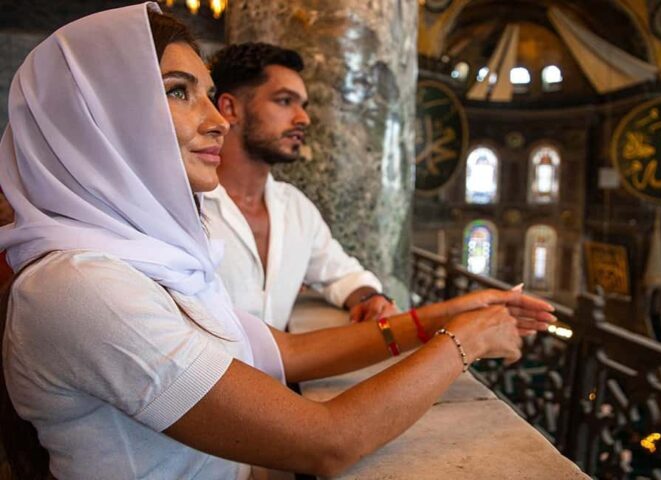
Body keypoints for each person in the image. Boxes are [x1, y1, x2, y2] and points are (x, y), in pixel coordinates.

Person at [0, 4, 556, 479]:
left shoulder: (154, 257)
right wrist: (465, 342)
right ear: (96, 118)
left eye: (210, 95)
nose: (216, 121)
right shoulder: (80, 287)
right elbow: (328, 441)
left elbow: (289, 351)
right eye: (178, 92)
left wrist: (452, 311)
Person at [205, 42, 396, 329]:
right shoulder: (186, 205)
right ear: (230, 109)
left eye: (303, 105)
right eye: (284, 101)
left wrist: (369, 299)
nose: (303, 118)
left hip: (281, 374)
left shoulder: (295, 207)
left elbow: (341, 274)